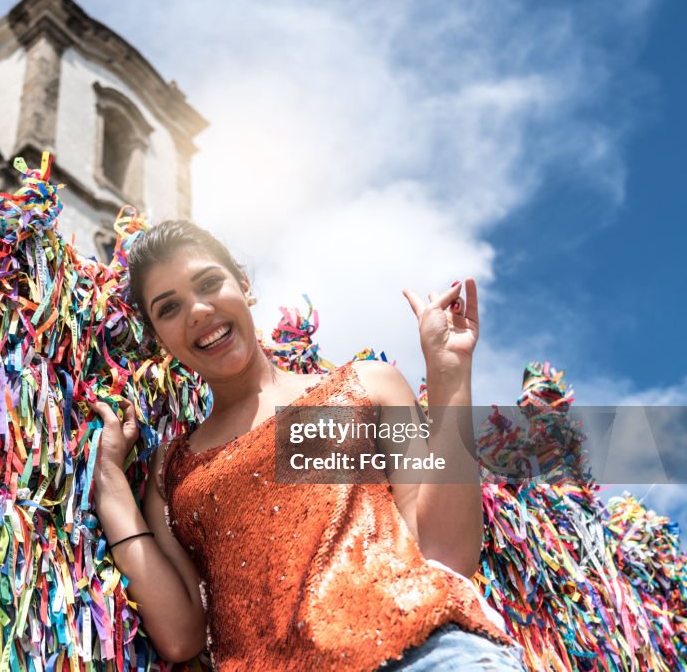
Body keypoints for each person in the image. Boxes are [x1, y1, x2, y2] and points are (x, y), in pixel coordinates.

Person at [89, 221, 527, 671]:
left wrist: (449, 372)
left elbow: (445, 552)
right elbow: (180, 637)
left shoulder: (366, 387)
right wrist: (109, 484)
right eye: (169, 308)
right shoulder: (172, 471)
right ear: (159, 338)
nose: (197, 310)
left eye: (208, 283)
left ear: (244, 286)